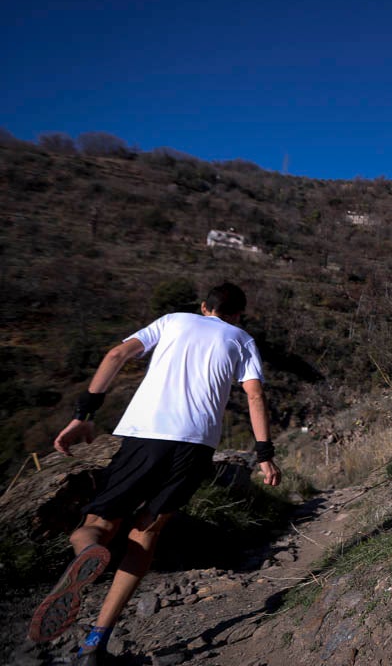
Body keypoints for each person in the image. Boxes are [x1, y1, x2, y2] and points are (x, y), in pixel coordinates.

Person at [29, 282, 281, 664]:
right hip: (196, 447)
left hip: (146, 435)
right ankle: (95, 643)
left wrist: (83, 414)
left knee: (98, 521)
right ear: (238, 314)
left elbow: (116, 354)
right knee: (146, 532)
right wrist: (264, 456)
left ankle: (89, 551)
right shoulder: (242, 339)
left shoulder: (172, 321)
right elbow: (254, 395)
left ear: (203, 307)